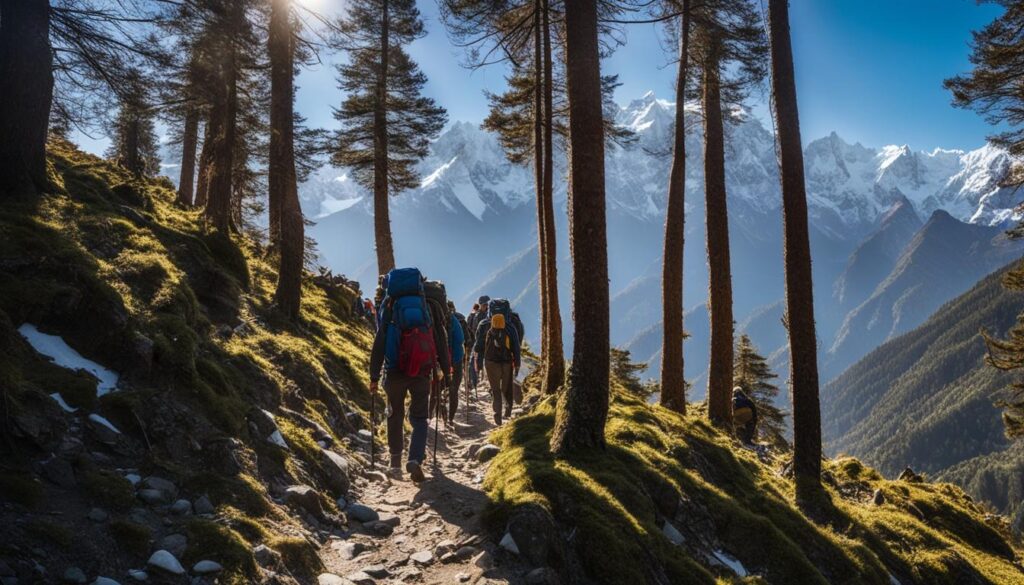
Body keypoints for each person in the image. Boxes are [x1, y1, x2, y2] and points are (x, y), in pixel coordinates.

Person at [368, 268, 450, 483]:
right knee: (420, 418)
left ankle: (395, 463)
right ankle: (415, 459)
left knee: (394, 414)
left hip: (393, 371)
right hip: (422, 371)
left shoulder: (389, 305)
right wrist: (445, 370)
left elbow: (380, 342)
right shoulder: (429, 306)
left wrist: (373, 376)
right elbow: (441, 339)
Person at [474, 305, 521, 425]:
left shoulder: (485, 326)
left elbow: (478, 347)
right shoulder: (510, 328)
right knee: (507, 387)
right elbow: (516, 346)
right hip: (506, 362)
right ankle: (508, 408)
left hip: (491, 363)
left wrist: (478, 362)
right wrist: (517, 364)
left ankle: (497, 415)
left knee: (495, 390)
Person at [446, 300, 468, 422]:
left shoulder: (434, 317)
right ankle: (450, 418)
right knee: (454, 389)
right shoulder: (454, 320)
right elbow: (461, 339)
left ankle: (436, 414)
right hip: (456, 359)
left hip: (439, 360)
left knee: (436, 389)